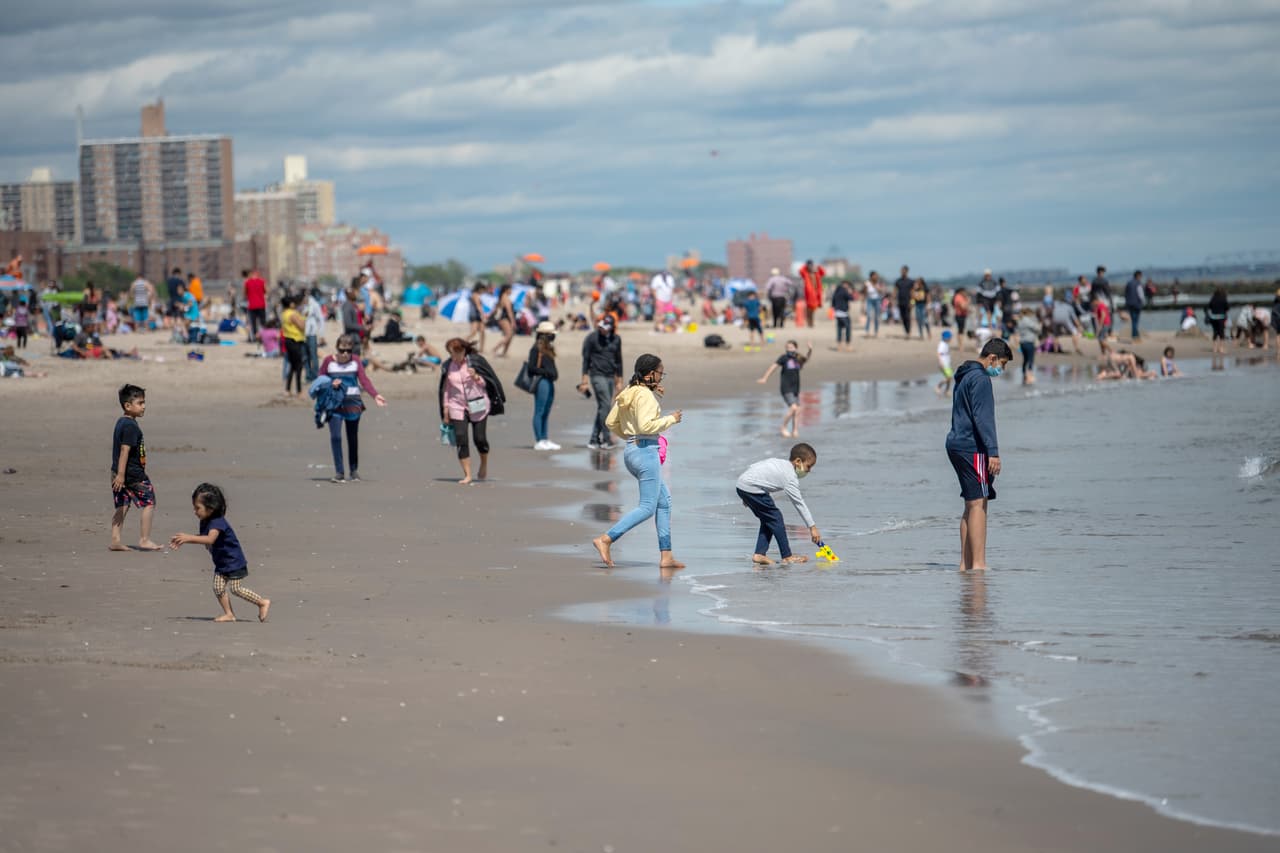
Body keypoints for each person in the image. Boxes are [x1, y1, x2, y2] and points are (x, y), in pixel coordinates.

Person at [591, 354, 684, 570]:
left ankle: (667, 556)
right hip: (645, 452)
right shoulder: (644, 395)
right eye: (660, 373)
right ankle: (606, 539)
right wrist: (671, 419)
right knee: (647, 507)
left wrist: (630, 438)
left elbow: (610, 421)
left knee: (664, 502)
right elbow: (645, 426)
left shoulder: (630, 391)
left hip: (632, 451)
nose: (661, 378)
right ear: (650, 374)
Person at [944, 338, 1012, 571]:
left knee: (971, 504)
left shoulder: (964, 374)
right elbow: (983, 418)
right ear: (992, 358)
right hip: (971, 446)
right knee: (978, 505)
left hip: (955, 443)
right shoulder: (981, 379)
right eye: (1002, 364)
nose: (1001, 369)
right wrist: (993, 452)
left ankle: (966, 564)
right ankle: (979, 565)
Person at [168, 483, 270, 623]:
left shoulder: (217, 522)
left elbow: (210, 539)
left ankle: (262, 602)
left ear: (210, 508)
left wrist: (188, 538)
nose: (195, 511)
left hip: (233, 561)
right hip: (221, 562)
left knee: (235, 589)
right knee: (218, 587)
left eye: (197, 508)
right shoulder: (205, 521)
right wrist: (184, 540)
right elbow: (204, 538)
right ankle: (229, 614)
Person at [735, 443, 821, 565]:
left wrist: (745, 494)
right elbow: (799, 503)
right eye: (808, 466)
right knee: (776, 518)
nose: (809, 471)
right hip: (751, 488)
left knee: (768, 519)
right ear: (798, 461)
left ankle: (759, 554)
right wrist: (812, 527)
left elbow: (756, 467)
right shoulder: (790, 477)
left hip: (742, 484)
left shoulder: (780, 463)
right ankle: (787, 556)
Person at [319, 333, 386, 483]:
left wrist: (375, 395)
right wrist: (330, 383)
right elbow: (320, 379)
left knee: (352, 437)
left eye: (348, 351)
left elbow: (364, 380)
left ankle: (354, 470)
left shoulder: (356, 361)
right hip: (334, 404)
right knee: (336, 437)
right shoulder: (328, 361)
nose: (345, 354)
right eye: (342, 350)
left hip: (353, 404)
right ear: (336, 348)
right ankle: (339, 472)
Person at [439, 338, 502, 484]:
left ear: (464, 350)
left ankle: (484, 463)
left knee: (479, 439)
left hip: (478, 404)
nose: (454, 357)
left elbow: (488, 383)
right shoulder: (448, 366)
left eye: (456, 353)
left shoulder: (475, 362)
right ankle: (467, 475)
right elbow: (446, 389)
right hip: (457, 406)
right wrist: (446, 409)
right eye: (451, 353)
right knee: (461, 438)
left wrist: (476, 377)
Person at [110, 383, 163, 552]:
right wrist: (121, 475)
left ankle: (115, 540)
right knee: (149, 502)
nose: (144, 406)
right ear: (128, 405)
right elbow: (124, 450)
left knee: (123, 504)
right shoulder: (131, 426)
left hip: (118, 472)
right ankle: (144, 539)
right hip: (132, 475)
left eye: (144, 402)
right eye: (140, 403)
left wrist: (118, 474)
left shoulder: (121, 422)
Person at [579, 315, 624, 450]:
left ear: (611, 328)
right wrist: (584, 380)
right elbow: (586, 359)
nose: (603, 330)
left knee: (603, 408)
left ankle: (593, 440)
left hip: (610, 376)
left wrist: (619, 380)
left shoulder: (616, 339)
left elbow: (619, 360)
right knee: (605, 405)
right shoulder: (592, 338)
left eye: (606, 328)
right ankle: (606, 439)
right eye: (601, 327)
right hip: (597, 375)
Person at [757, 340, 812, 438]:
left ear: (796, 348)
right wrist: (765, 378)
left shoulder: (798, 358)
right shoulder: (784, 358)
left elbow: (806, 359)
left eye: (791, 347)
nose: (789, 349)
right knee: (793, 408)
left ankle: (795, 430)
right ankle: (783, 427)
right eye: (787, 347)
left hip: (795, 388)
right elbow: (773, 367)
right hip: (786, 387)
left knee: (798, 410)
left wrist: (810, 350)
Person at [526, 321, 560, 450]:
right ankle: (539, 440)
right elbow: (531, 368)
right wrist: (545, 372)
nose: (553, 336)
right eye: (551, 334)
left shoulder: (549, 348)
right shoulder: (536, 348)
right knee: (539, 411)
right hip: (542, 382)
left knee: (546, 411)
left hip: (550, 382)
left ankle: (545, 438)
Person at [280, 296, 306, 396]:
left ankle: (288, 389)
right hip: (295, 340)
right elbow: (302, 326)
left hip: (288, 340)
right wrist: (303, 318)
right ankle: (299, 391)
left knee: (293, 366)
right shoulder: (292, 314)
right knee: (298, 366)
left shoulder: (284, 313)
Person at [489, 284, 518, 357]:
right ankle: (494, 349)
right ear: (506, 290)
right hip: (504, 318)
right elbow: (509, 311)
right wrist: (513, 321)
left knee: (510, 335)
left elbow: (496, 308)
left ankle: (504, 352)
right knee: (509, 335)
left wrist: (489, 315)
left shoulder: (502, 297)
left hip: (502, 318)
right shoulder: (506, 298)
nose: (511, 291)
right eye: (510, 289)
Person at [303, 288, 325, 381]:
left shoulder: (315, 305)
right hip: (302, 334)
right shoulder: (301, 305)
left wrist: (321, 334)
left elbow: (321, 319)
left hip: (312, 333)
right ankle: (308, 375)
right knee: (305, 356)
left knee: (313, 355)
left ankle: (315, 375)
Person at [1015, 307, 1040, 385]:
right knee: (1030, 359)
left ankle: (1024, 376)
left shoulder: (1020, 321)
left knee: (1025, 359)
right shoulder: (1027, 320)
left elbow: (1017, 331)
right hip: (1029, 342)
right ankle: (1030, 376)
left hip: (1022, 343)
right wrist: (1038, 324)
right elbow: (1037, 328)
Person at [799, 261, 825, 329]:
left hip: (816, 294)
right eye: (810, 266)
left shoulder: (817, 273)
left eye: (812, 266)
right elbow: (801, 271)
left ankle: (811, 322)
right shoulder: (806, 273)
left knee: (813, 310)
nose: (811, 267)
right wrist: (806, 265)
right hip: (809, 294)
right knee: (809, 310)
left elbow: (823, 272)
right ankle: (809, 323)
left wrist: (818, 266)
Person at [831, 279, 855, 351]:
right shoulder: (844, 291)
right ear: (845, 284)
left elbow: (833, 301)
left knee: (839, 329)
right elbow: (851, 298)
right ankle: (848, 345)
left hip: (837, 312)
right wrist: (850, 292)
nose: (848, 286)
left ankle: (839, 346)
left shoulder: (837, 290)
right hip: (843, 313)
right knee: (848, 328)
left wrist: (835, 308)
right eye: (848, 285)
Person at [1206, 286, 1229, 355]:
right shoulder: (1223, 299)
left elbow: (1209, 307)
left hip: (1213, 318)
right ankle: (1221, 348)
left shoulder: (1213, 299)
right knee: (1221, 332)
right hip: (1221, 317)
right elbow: (1227, 308)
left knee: (1215, 332)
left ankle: (1214, 348)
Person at [466, 284, 487, 350]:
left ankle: (481, 348)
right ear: (480, 289)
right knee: (474, 332)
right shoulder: (475, 295)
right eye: (483, 290)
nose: (483, 291)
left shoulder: (475, 295)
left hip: (476, 315)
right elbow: (478, 306)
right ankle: (462, 342)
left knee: (482, 331)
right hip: (475, 315)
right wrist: (483, 315)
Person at [1125, 270, 1145, 341]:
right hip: (1137, 304)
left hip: (1130, 304)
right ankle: (1135, 335)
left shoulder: (1129, 283)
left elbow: (1126, 294)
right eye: (1140, 276)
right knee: (1135, 320)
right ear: (1138, 276)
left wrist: (1127, 303)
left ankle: (1135, 334)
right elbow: (1141, 294)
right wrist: (1143, 302)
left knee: (1133, 320)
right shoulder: (1138, 284)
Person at [936, 329, 954, 396]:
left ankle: (947, 391)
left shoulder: (946, 344)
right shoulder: (942, 344)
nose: (950, 338)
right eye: (950, 337)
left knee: (949, 377)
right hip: (944, 364)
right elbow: (938, 353)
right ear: (946, 338)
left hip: (947, 364)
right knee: (949, 377)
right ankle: (938, 386)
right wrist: (941, 362)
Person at [864, 272, 883, 337]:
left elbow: (882, 291)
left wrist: (877, 287)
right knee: (869, 315)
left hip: (877, 300)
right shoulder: (867, 283)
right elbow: (865, 292)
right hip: (869, 300)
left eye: (876, 276)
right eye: (874, 276)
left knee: (876, 316)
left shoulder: (878, 283)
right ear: (871, 276)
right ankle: (867, 331)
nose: (876, 277)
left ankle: (876, 331)